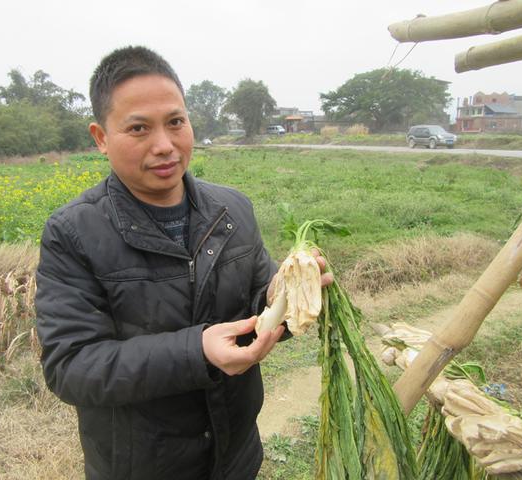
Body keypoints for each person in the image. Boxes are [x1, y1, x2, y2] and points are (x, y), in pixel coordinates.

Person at [35, 46, 330, 480]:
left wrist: (285, 296)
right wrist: (197, 352)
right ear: (100, 137)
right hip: (139, 467)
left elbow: (258, 302)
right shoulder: (73, 233)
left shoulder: (233, 209)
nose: (165, 145)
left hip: (235, 457)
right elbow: (71, 367)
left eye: (175, 122)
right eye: (138, 128)